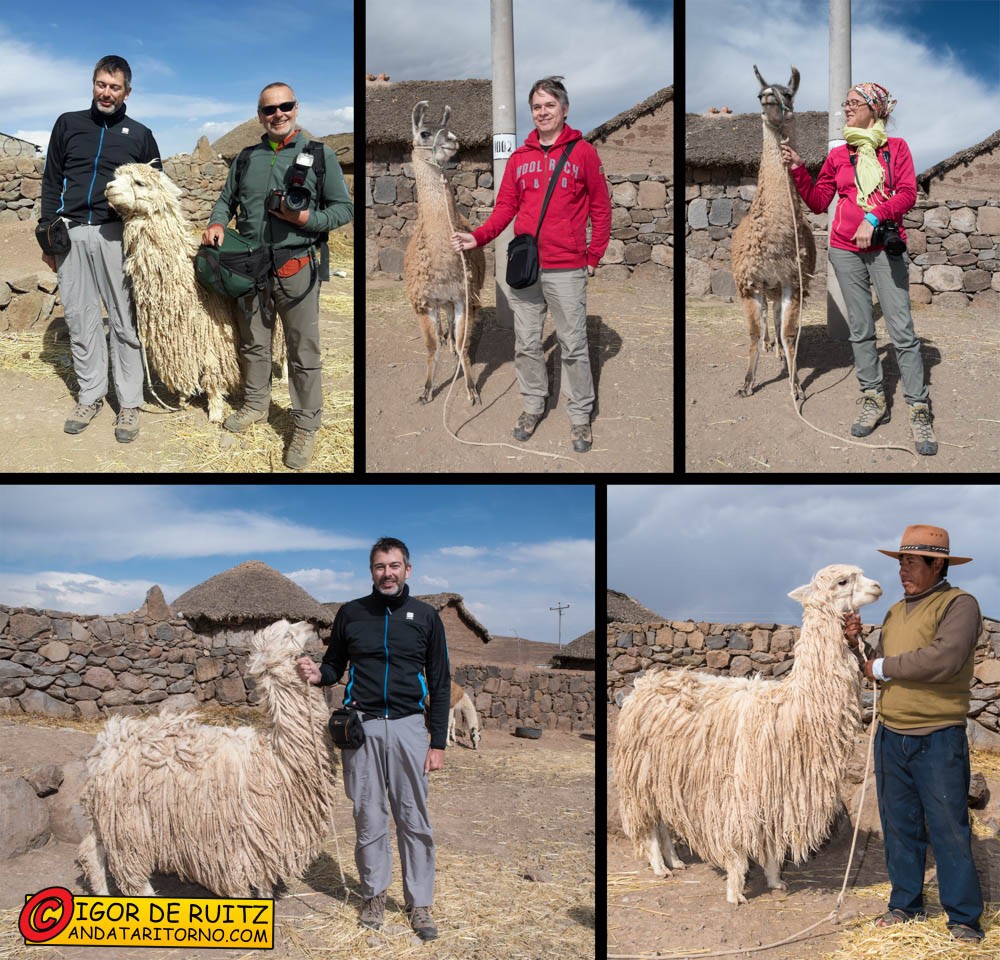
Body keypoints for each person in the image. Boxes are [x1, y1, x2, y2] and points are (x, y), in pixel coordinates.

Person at [296, 537, 449, 941]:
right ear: (371, 571)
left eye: (395, 566)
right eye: (380, 566)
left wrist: (438, 743)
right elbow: (334, 666)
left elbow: (439, 680)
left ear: (407, 570)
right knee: (368, 816)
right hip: (360, 727)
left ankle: (420, 904)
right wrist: (318, 675)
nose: (388, 573)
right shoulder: (351, 614)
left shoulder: (427, 617)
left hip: (408, 727)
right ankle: (374, 895)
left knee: (414, 819)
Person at [450, 76, 611, 454]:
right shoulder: (520, 159)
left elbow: (601, 208)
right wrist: (478, 237)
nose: (542, 112)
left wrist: (593, 255)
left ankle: (580, 415)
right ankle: (533, 406)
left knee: (572, 345)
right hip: (526, 267)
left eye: (549, 106)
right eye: (537, 107)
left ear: (564, 109)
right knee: (526, 344)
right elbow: (505, 207)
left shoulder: (583, 153)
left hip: (567, 267)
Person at [844, 524, 984, 943]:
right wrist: (857, 646)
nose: (902, 570)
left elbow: (944, 658)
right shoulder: (896, 612)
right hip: (892, 735)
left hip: (937, 737)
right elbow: (879, 666)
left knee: (948, 827)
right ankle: (905, 904)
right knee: (900, 826)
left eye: (911, 562)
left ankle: (963, 918)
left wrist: (881, 666)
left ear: (937, 563)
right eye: (901, 561)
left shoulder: (959, 605)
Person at [202, 83, 352, 470]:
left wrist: (307, 219)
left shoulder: (321, 156)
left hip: (297, 267)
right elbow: (225, 200)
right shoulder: (247, 158)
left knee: (303, 351)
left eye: (285, 106)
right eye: (270, 109)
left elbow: (343, 209)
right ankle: (255, 404)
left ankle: (305, 425)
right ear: (260, 116)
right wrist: (218, 222)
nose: (278, 114)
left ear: (296, 108)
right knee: (254, 343)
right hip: (250, 268)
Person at [781, 83, 936, 457]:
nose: (846, 108)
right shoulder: (838, 155)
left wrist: (873, 216)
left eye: (853, 103)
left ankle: (918, 407)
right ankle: (873, 397)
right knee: (861, 329)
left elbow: (906, 193)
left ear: (875, 108)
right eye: (845, 103)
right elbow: (820, 202)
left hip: (885, 248)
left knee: (901, 330)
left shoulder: (895, 149)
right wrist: (801, 169)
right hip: (845, 251)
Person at [39, 55, 161, 443]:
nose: (106, 93)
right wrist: (47, 230)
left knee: (125, 322)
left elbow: (157, 187)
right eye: (101, 85)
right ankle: (90, 395)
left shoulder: (139, 135)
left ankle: (128, 403)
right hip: (72, 234)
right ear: (93, 84)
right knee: (80, 318)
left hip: (115, 236)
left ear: (128, 91)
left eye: (115, 87)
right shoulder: (68, 124)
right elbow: (51, 179)